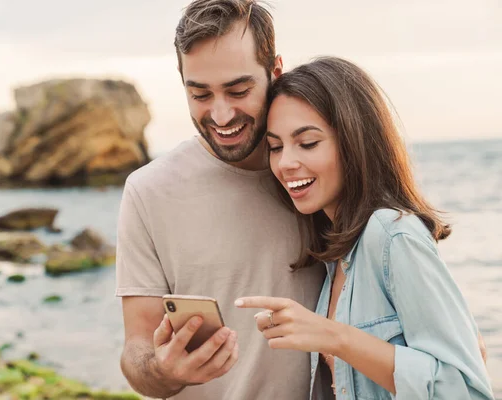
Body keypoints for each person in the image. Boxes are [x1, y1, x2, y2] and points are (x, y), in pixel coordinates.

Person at [234, 56, 495, 399]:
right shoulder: (337, 254)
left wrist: (335, 337)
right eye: (275, 147)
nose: (286, 163)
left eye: (308, 143)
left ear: (354, 141)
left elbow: (464, 390)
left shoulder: (391, 235)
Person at [115, 1, 327, 399]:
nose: (221, 114)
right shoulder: (149, 191)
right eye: (200, 94)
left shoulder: (317, 174)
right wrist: (163, 370)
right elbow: (136, 348)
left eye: (239, 90)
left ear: (275, 72)